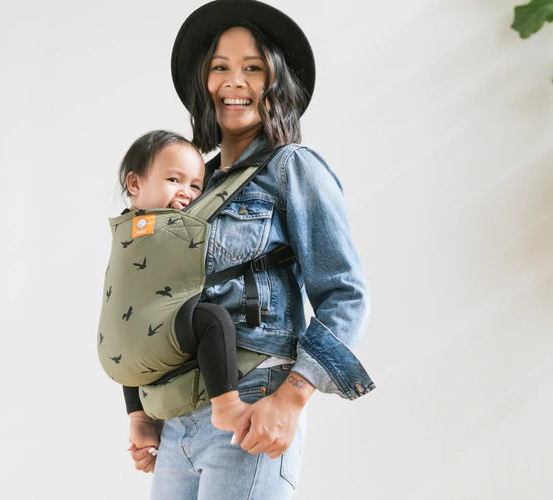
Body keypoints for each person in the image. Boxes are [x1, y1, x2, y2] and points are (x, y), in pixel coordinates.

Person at [127, 1, 375, 497]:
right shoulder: (194, 186)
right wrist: (142, 409)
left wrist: (293, 397)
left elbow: (345, 294)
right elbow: (153, 298)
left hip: (252, 403)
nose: (234, 81)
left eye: (253, 68)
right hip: (178, 417)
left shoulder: (293, 167)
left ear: (275, 83)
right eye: (220, 67)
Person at [106, 129, 253, 434]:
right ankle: (226, 405)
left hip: (123, 349)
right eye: (174, 180)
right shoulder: (154, 227)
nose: (187, 192)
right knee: (212, 321)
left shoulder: (128, 226)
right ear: (135, 183)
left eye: (196, 186)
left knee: (134, 338)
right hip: (145, 336)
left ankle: (139, 418)